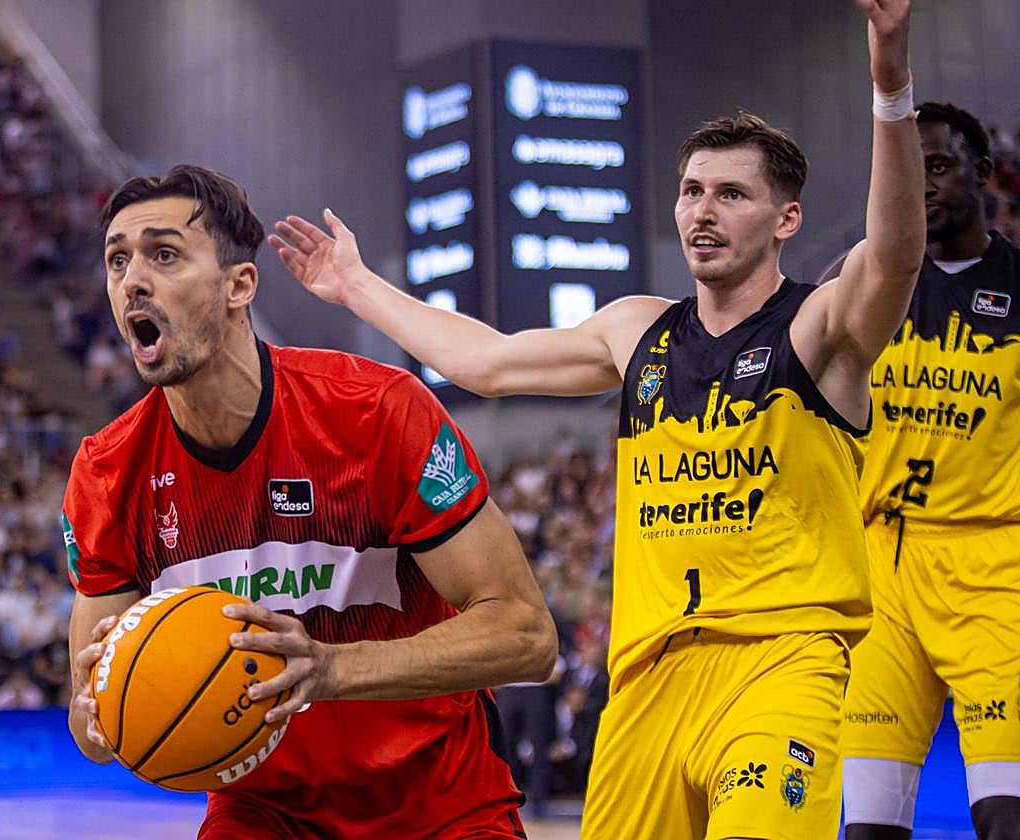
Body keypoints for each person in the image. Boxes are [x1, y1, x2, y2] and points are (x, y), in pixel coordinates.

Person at [268, 1, 922, 836]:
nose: (702, 211)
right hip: (645, 676)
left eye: (731, 194)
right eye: (690, 191)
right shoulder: (635, 328)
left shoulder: (819, 329)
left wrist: (890, 78)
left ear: (787, 219)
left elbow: (897, 253)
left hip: (780, 662)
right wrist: (356, 285)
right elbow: (485, 363)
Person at [64, 165, 558, 840]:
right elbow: (88, 722)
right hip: (263, 809)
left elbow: (527, 635)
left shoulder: (376, 413)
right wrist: (100, 718)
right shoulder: (107, 471)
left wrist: (329, 669)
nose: (132, 280)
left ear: (240, 285)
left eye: (164, 254)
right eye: (117, 260)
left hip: (437, 794)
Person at [835, 102, 1020, 840]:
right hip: (883, 569)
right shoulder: (858, 284)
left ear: (982, 175)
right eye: (906, 171)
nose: (920, 186)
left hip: (994, 566)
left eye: (936, 166)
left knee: (1004, 815)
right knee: (870, 826)